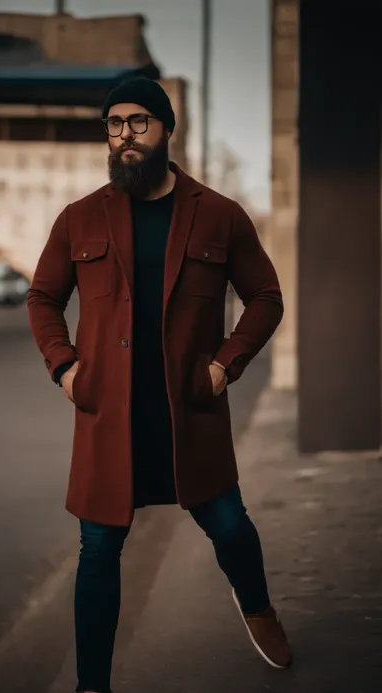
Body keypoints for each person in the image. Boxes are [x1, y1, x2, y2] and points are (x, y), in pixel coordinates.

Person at [28, 77, 291, 693]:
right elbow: (43, 297)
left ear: (166, 129)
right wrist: (65, 368)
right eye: (115, 124)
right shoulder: (80, 218)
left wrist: (226, 363)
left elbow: (266, 297)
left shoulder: (219, 214)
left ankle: (258, 607)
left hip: (189, 410)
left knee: (229, 524)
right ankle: (91, 684)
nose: (125, 135)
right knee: (97, 552)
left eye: (139, 122)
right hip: (107, 416)